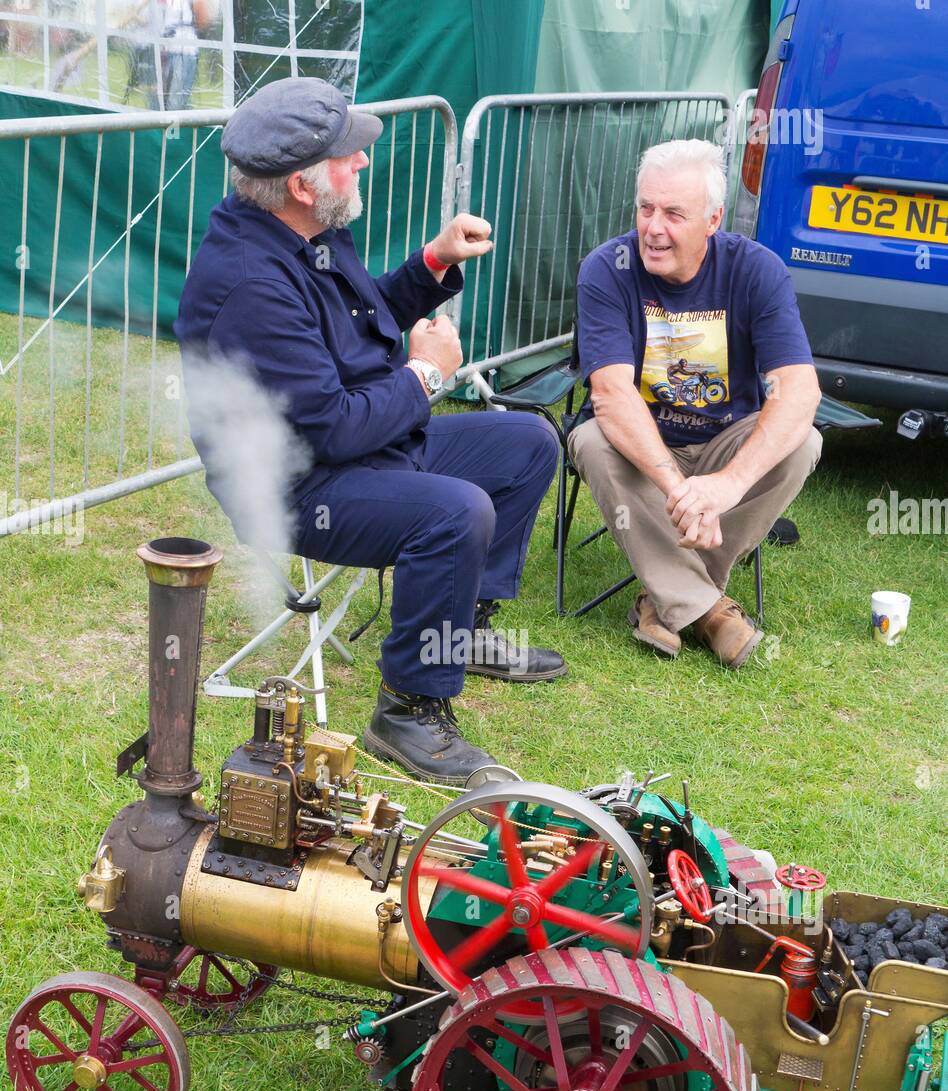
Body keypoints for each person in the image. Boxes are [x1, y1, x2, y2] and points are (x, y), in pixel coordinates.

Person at [175, 78, 565, 783]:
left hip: (363, 448)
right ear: (301, 183)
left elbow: (361, 323)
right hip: (300, 485)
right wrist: (424, 376)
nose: (361, 163)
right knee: (457, 510)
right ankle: (408, 712)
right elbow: (328, 430)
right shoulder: (250, 282)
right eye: (348, 155)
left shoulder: (306, 232)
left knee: (528, 443)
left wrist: (432, 264)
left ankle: (458, 631)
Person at [568, 138, 822, 669]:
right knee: (591, 437)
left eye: (673, 214)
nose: (653, 227)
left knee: (803, 442)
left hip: (723, 445)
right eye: (645, 208)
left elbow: (799, 391)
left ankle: (666, 597)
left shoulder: (756, 270)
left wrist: (725, 485)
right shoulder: (606, 268)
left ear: (713, 219)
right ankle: (710, 611)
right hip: (643, 450)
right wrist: (680, 489)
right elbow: (612, 397)